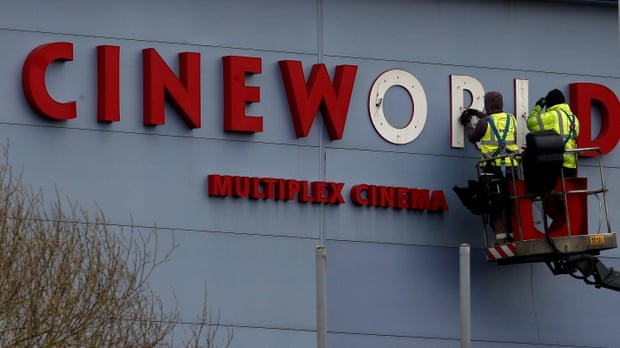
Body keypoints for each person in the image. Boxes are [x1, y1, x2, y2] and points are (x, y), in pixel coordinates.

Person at [459, 91, 519, 244]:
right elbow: (496, 121)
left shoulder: (484, 123)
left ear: (487, 104)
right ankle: (514, 236)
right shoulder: (511, 119)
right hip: (512, 170)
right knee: (511, 203)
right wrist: (479, 113)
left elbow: (473, 138)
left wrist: (467, 124)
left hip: (492, 172)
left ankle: (501, 240)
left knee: (495, 206)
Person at [527, 89, 580, 177]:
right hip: (571, 166)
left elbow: (531, 124)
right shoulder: (574, 119)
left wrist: (538, 107)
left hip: (555, 165)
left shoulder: (553, 115)